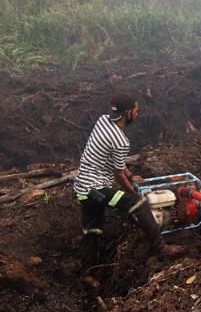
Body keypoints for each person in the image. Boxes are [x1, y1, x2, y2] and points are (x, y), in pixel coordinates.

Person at [74, 93, 182, 288]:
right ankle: (161, 248)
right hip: (95, 190)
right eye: (136, 111)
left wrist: (131, 176)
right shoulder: (121, 140)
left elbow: (117, 162)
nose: (137, 114)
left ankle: (87, 274)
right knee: (138, 203)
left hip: (81, 187)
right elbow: (118, 173)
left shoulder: (102, 121)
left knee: (92, 229)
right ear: (127, 113)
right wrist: (133, 191)